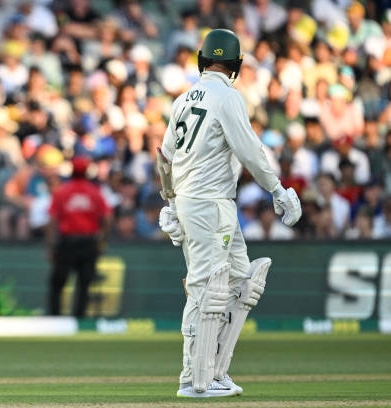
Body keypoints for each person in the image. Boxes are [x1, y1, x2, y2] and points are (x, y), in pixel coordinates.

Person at [156, 29, 301, 398]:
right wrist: (277, 189)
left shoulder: (183, 99)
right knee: (206, 287)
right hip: (209, 204)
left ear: (202, 60)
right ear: (235, 65)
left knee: (240, 282)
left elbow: (165, 158)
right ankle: (193, 380)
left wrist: (171, 201)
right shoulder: (228, 97)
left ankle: (216, 372)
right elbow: (250, 149)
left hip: (206, 203)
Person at [46, 156, 112, 317]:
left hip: (67, 242)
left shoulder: (62, 191)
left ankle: (55, 317)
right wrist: (102, 239)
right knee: (84, 285)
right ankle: (79, 320)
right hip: (89, 242)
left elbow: (52, 220)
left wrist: (50, 245)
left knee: (58, 283)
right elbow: (109, 218)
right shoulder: (95, 192)